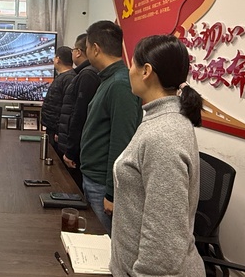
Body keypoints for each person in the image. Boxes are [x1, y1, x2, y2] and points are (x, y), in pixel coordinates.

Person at [110, 34, 204, 277]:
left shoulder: (164, 134)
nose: (129, 71)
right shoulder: (159, 119)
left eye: (132, 64)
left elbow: (164, 241)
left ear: (146, 71)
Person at [79, 20, 142, 235]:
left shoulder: (119, 84)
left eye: (87, 47)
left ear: (96, 49)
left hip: (103, 186)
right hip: (94, 179)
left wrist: (112, 192)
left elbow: (121, 141)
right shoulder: (108, 80)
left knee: (105, 245)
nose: (86, 52)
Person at [59, 34, 101, 188]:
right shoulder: (84, 73)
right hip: (76, 144)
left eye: (73, 50)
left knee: (72, 188)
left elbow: (79, 114)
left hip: (78, 150)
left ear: (78, 52)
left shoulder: (87, 75)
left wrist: (71, 150)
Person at [40, 46, 75, 153]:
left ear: (58, 59)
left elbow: (68, 109)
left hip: (57, 131)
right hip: (53, 128)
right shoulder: (63, 77)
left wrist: (60, 132)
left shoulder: (69, 78)